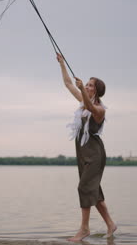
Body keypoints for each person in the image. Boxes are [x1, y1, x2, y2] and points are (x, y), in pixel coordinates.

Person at [56, 53, 117, 242]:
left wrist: (83, 89)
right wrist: (62, 64)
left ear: (96, 90)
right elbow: (68, 84)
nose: (87, 86)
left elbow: (91, 107)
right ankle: (110, 224)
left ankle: (84, 229)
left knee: (84, 187)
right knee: (94, 191)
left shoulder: (99, 110)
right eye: (87, 84)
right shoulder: (83, 102)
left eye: (91, 85)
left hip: (95, 153)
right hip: (83, 152)